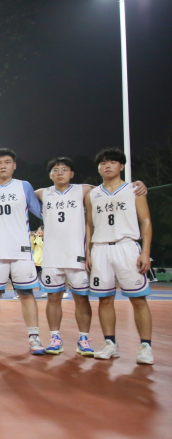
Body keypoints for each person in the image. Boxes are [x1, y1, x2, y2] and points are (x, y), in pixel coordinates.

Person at [34, 156, 147, 356]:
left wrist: (138, 184)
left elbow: (110, 187)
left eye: (64, 169)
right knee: (53, 297)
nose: (60, 172)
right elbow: (19, 194)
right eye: (55, 169)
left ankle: (84, 339)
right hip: (52, 255)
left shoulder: (84, 190)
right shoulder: (42, 193)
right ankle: (55, 338)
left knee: (82, 298)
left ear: (72, 173)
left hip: (77, 254)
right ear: (49, 174)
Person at [0, 148, 45, 355]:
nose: (2, 166)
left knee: (26, 294)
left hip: (21, 251)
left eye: (7, 162)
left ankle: (34, 337)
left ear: (14, 165)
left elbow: (40, 211)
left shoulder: (24, 186)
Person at [85, 148, 154, 365]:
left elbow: (145, 221)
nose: (107, 166)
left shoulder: (134, 190)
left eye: (112, 162)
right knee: (104, 299)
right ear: (98, 167)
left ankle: (146, 347)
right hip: (100, 249)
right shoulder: (92, 194)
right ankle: (110, 344)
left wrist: (145, 252)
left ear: (121, 166)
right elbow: (89, 225)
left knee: (138, 299)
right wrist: (88, 251)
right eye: (103, 163)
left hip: (126, 247)